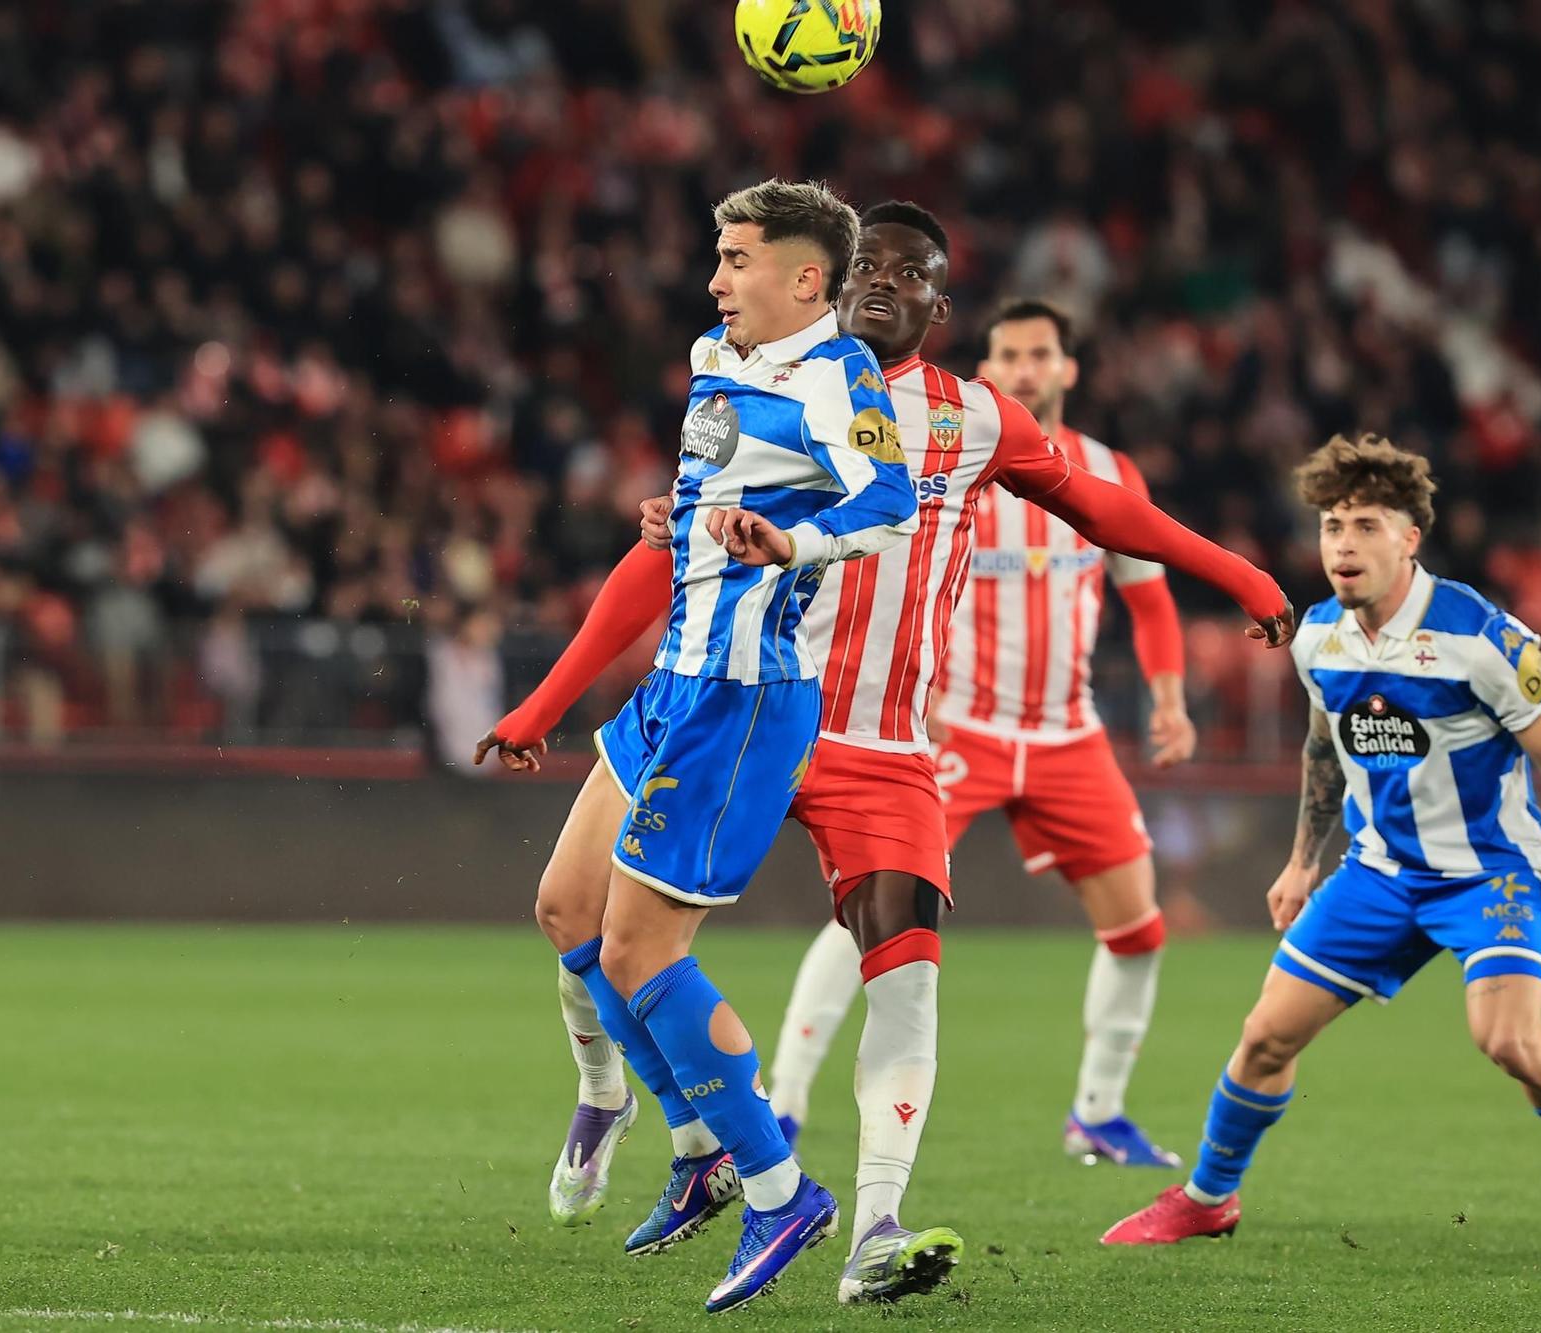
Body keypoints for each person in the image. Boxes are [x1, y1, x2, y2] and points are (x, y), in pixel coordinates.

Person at [488, 201, 1296, 1305]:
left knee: (902, 980)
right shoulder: (751, 372)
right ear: (827, 278)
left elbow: (1106, 513)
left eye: (907, 271)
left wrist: (1241, 575)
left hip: (878, 742)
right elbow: (666, 553)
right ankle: (668, 1128)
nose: (880, 281)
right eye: (864, 263)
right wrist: (546, 702)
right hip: (721, 697)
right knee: (570, 914)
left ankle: (871, 1224)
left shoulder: (970, 420)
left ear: (936, 304)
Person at [474, 178, 920, 1314]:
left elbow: (889, 503)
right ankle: (698, 1144)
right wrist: (679, 518)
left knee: (640, 952)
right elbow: (694, 506)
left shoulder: (837, 377)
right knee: (567, 912)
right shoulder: (715, 358)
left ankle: (779, 1187)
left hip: (741, 700)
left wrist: (792, 538)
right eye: (716, 258)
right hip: (671, 681)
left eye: (735, 259)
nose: (715, 279)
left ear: (803, 278)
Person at [1099, 435, 1541, 1264]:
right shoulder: (1318, 637)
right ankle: (1208, 1197)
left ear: (1410, 537)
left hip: (1487, 872)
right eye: (1331, 526)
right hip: (1379, 874)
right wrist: (1302, 860)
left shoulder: (1482, 637)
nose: (1343, 545)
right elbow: (1323, 748)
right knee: (1265, 1037)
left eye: (1366, 526)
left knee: (1510, 1042)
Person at [767, 298, 1198, 1174]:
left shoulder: (1110, 470)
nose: (1026, 368)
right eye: (1009, 353)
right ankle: (786, 1101)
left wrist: (1168, 696)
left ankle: (1099, 1114)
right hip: (959, 727)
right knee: (871, 915)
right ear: (988, 364)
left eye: (1043, 353)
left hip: (1069, 734)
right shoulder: (958, 456)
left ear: (1070, 368)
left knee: (1139, 928)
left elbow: (1149, 599)